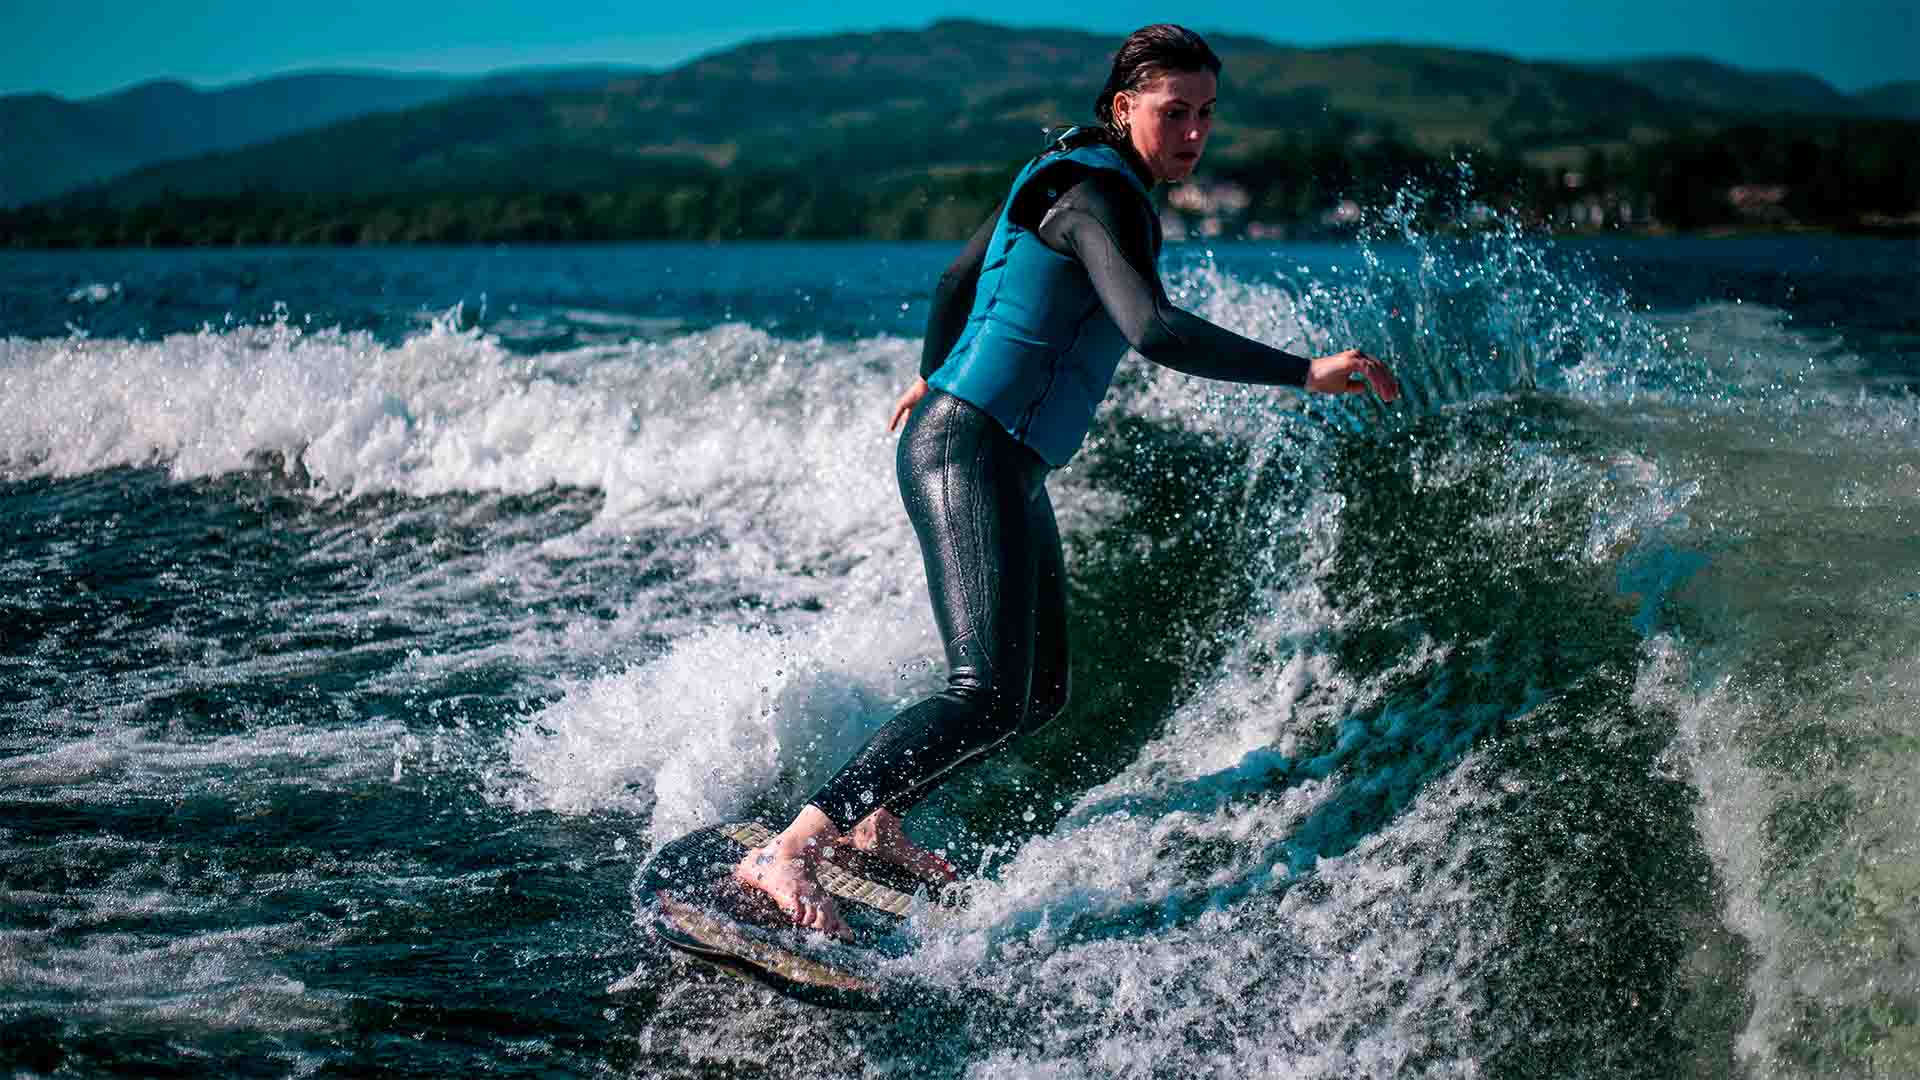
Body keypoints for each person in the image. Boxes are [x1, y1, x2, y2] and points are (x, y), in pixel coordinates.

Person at [736, 24, 1400, 936]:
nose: (1195, 133)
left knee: (1037, 694)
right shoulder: (1096, 197)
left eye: (1207, 114)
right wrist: (1303, 370)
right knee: (984, 690)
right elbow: (1154, 330)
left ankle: (875, 821)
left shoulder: (1070, 176)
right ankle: (793, 846)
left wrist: (936, 367)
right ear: (1124, 107)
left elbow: (955, 277)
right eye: (1176, 113)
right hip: (967, 447)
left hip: (1001, 454)